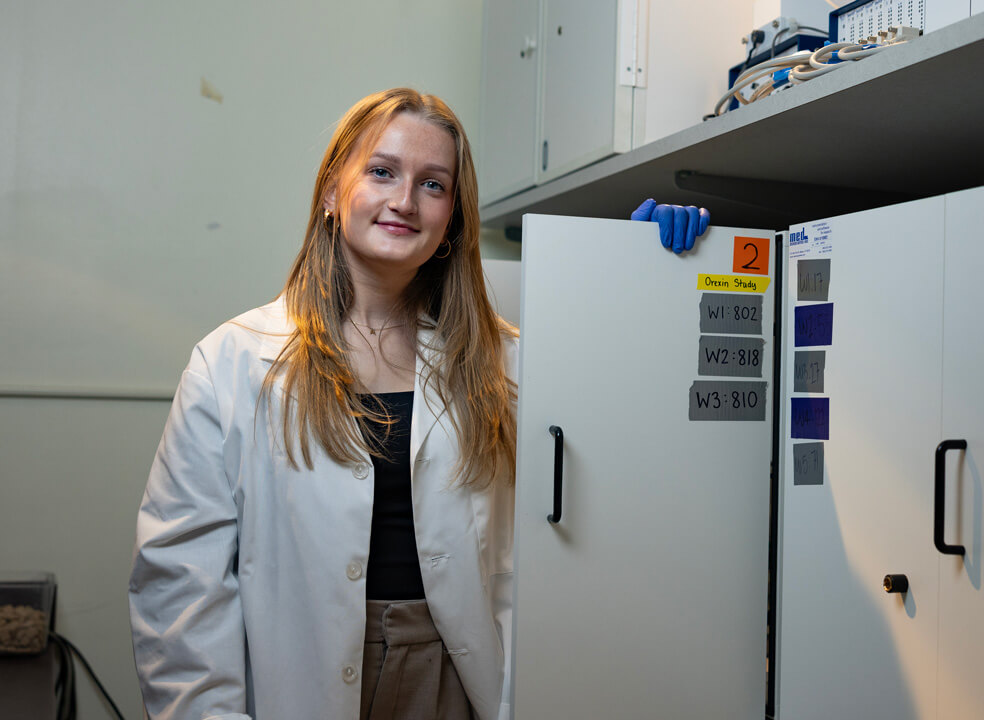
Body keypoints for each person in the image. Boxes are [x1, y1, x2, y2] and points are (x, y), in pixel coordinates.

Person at [128, 87, 708, 720]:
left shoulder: (505, 362)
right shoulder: (231, 362)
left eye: (434, 185)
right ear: (331, 191)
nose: (404, 201)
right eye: (382, 172)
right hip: (295, 679)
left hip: (454, 676)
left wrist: (644, 277)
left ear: (453, 216)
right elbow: (181, 584)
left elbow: (617, 455)